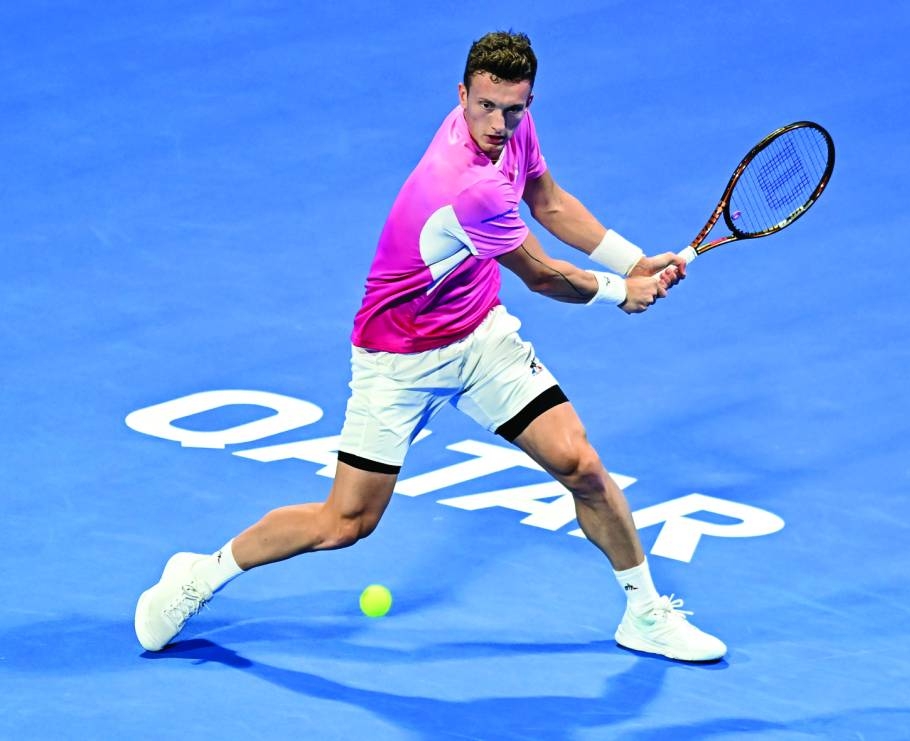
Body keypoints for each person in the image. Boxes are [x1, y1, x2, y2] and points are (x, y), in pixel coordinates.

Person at [135, 31, 726, 663]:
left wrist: (635, 259)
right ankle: (200, 575)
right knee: (346, 523)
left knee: (579, 465)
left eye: (515, 110)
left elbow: (548, 201)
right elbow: (544, 277)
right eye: (486, 108)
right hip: (399, 360)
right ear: (462, 94)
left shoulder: (511, 131)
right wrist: (622, 292)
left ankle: (644, 613)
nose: (499, 125)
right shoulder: (467, 184)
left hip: (478, 336)